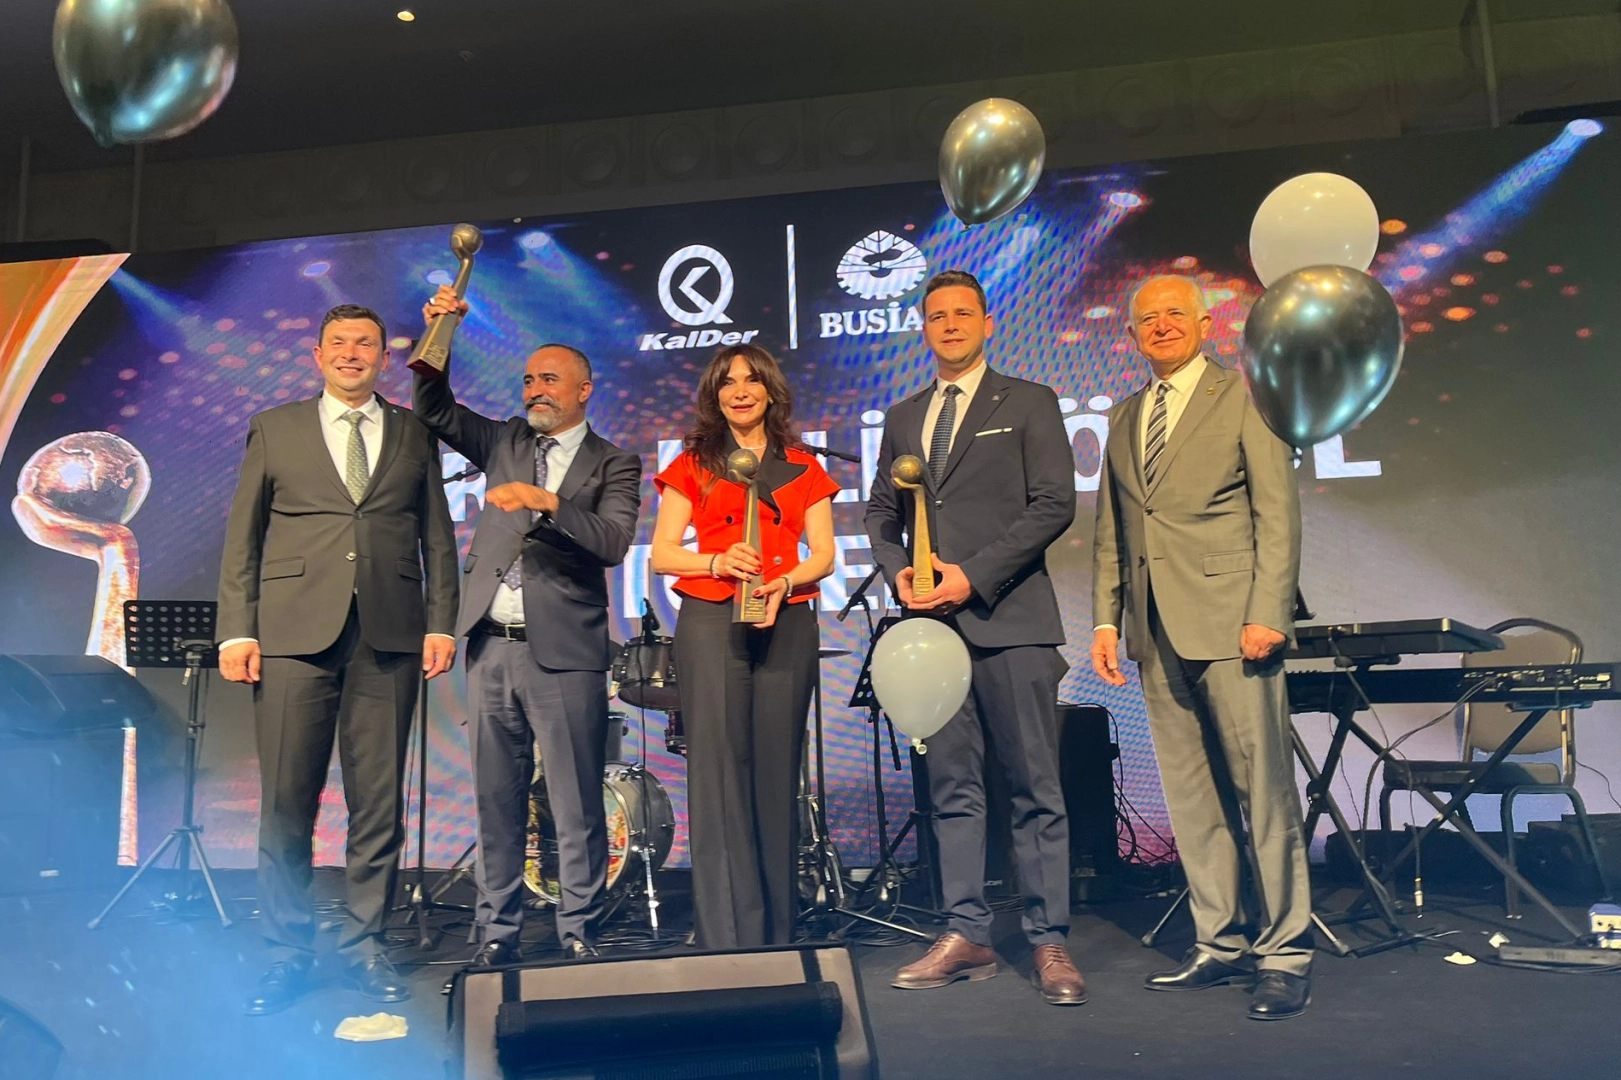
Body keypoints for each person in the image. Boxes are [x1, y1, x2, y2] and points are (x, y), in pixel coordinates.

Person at [217, 303, 459, 1016]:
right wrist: (237, 631)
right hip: (292, 637)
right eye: (340, 343)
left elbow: (437, 536)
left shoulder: (413, 432)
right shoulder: (276, 427)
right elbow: (244, 536)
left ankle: (364, 946)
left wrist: (441, 622)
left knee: (377, 807)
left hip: (390, 636)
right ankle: (286, 952)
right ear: (318, 355)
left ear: (384, 357)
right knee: (286, 806)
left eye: (366, 344)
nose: (353, 353)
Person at [1090, 274, 1312, 1020]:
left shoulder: (1245, 395)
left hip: (1233, 625)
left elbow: (1276, 513)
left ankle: (1284, 955)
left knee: (1263, 797)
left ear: (1204, 323)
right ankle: (1220, 943)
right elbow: (1115, 531)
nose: (1160, 327)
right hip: (1156, 632)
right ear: (1130, 335)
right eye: (1146, 319)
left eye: (1173, 315)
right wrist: (1106, 621)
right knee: (1192, 801)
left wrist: (1267, 612)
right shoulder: (1125, 415)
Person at [865, 270, 1085, 1007]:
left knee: (1034, 786)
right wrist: (899, 570)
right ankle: (966, 934)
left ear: (987, 323)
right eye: (937, 316)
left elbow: (1053, 503)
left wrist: (972, 575)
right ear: (923, 329)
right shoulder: (904, 416)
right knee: (951, 789)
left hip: (1011, 621)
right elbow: (879, 514)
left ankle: (1048, 938)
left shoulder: (1028, 401)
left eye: (963, 313)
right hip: (931, 632)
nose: (951, 324)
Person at [415, 285, 642, 963]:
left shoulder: (614, 462)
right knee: (497, 800)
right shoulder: (505, 439)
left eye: (549, 380)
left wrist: (547, 502)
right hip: (492, 648)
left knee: (574, 803)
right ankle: (497, 933)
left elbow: (611, 541)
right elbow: (433, 409)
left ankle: (578, 930)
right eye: (528, 380)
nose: (534, 390)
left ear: (583, 391)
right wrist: (441, 333)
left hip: (565, 653)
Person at [650, 344, 838, 949]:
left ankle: (778, 934)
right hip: (711, 619)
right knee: (719, 773)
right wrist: (715, 561)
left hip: (787, 616)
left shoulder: (802, 466)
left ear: (770, 391)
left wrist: (787, 581)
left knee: (778, 774)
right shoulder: (693, 464)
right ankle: (727, 936)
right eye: (727, 382)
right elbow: (662, 553)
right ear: (714, 395)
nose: (740, 390)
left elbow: (825, 555)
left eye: (751, 380)